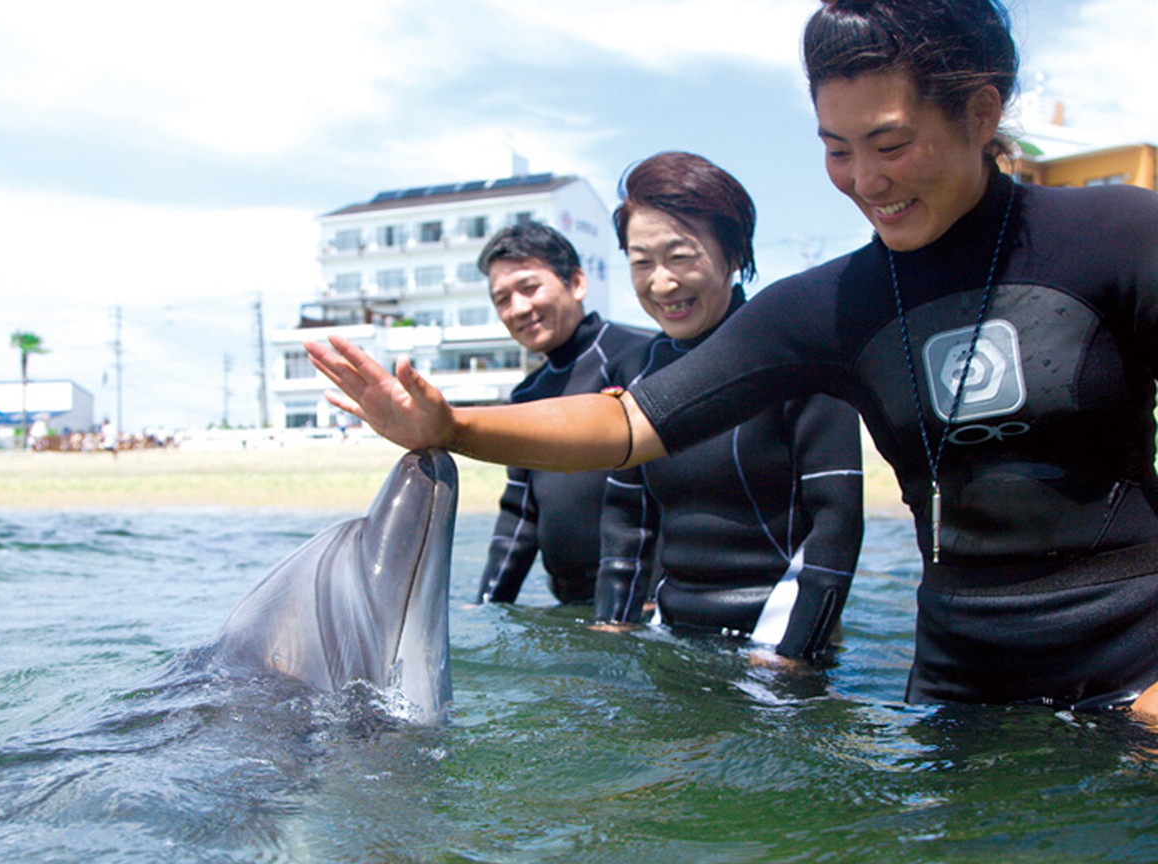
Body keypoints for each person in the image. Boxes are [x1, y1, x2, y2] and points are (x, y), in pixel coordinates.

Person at [306, 0, 1158, 718]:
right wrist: (450, 424)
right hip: (959, 673)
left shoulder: (1118, 238)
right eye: (835, 147)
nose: (863, 179)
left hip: (1137, 647)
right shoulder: (832, 304)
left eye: (890, 144)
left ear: (980, 112)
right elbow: (633, 420)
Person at [595, 151, 864, 662]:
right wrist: (613, 627)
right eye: (641, 261)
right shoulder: (636, 372)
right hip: (672, 635)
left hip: (780, 642)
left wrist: (792, 653)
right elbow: (627, 519)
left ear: (735, 254)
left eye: (681, 256)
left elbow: (838, 520)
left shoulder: (797, 357)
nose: (661, 282)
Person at [474, 221, 654, 606]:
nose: (518, 308)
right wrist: (487, 606)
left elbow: (658, 491)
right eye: (502, 299)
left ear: (576, 283)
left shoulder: (640, 355)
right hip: (569, 604)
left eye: (529, 288)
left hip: (643, 600)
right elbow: (520, 515)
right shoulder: (527, 393)